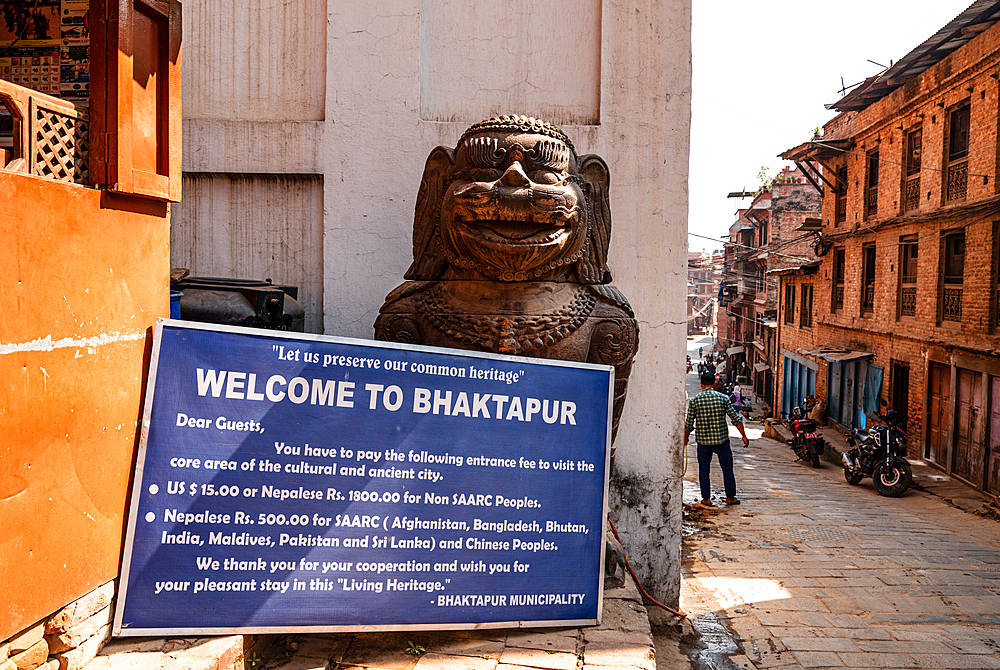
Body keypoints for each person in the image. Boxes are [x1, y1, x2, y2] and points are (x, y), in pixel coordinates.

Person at [685, 372, 750, 507]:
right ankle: (730, 497)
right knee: (727, 469)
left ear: (701, 384)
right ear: (714, 384)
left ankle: (706, 499)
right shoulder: (723, 398)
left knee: (704, 469)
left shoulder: (695, 400)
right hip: (721, 442)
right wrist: (743, 435)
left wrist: (685, 439)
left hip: (703, 443)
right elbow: (735, 418)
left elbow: (689, 424)